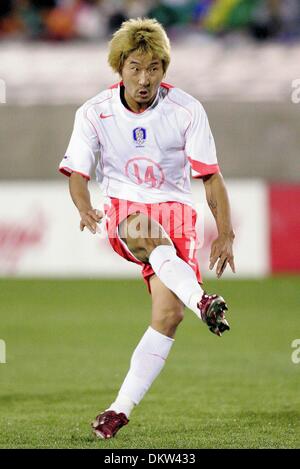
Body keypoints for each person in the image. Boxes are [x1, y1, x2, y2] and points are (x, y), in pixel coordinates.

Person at [59, 17, 235, 440]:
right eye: (135, 67)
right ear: (119, 67)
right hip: (126, 212)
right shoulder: (95, 113)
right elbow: (78, 174)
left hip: (177, 216)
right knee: (143, 228)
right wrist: (85, 209)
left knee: (168, 315)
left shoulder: (187, 110)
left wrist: (225, 232)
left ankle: (117, 411)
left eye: (153, 68)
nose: (144, 78)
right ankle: (203, 301)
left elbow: (211, 176)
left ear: (163, 70)